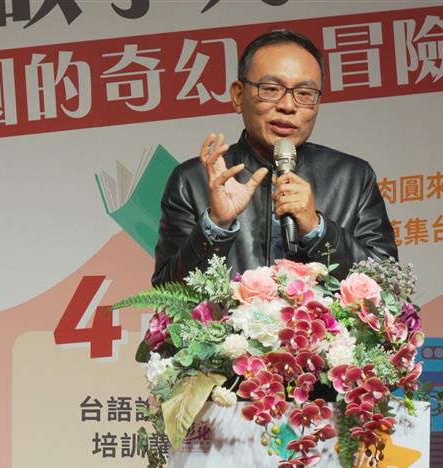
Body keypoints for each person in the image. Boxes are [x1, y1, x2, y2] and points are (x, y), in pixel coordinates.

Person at [152, 29, 397, 286]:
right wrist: (216, 226)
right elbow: (166, 294)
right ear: (238, 95)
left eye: (305, 93)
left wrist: (318, 230)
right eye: (271, 89)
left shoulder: (352, 177)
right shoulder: (192, 180)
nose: (288, 106)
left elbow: (389, 287)